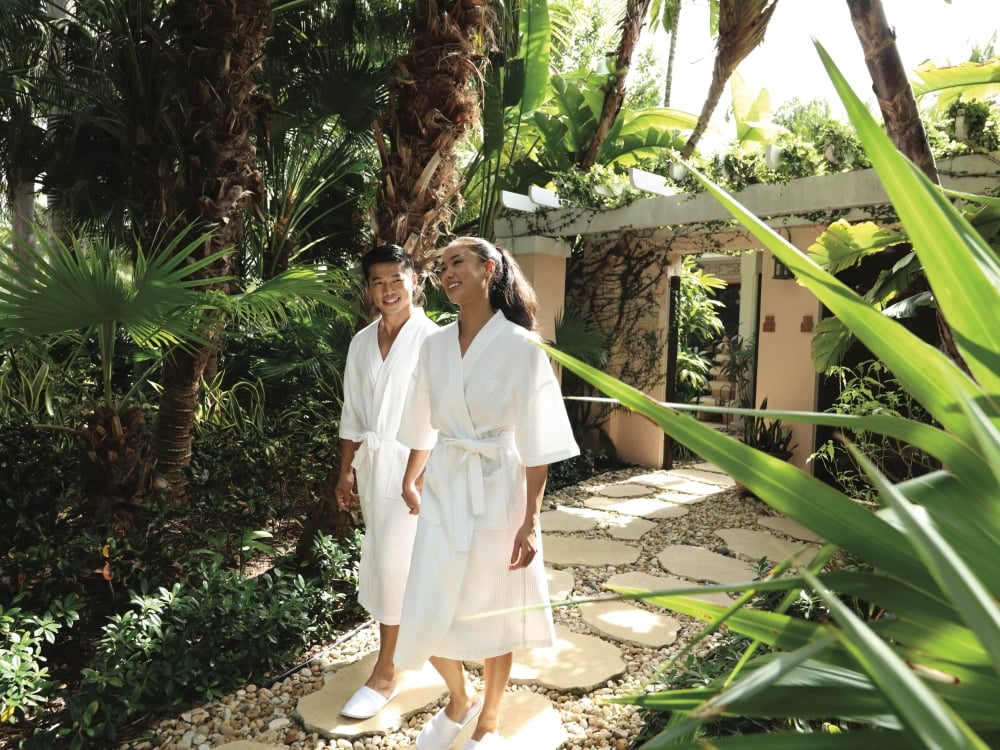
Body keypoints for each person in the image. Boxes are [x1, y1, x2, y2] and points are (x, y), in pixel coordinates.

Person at [395, 237, 579, 750]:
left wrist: (532, 517)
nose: (447, 272)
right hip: (446, 483)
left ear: (489, 267)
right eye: (442, 266)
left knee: (496, 607)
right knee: (424, 605)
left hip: (499, 487)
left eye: (457, 262)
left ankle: (488, 721)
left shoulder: (522, 345)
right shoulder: (433, 345)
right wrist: (411, 476)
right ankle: (460, 698)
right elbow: (420, 421)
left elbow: (539, 438)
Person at [336, 244, 438, 720]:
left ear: (414, 280)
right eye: (378, 282)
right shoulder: (360, 343)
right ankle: (424, 651)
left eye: (396, 279)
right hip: (374, 466)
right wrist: (344, 470)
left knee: (397, 563)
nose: (388, 290)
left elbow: (439, 416)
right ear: (368, 290)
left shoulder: (436, 339)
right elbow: (353, 414)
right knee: (386, 556)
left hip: (420, 469)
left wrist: (412, 477)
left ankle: (387, 671)